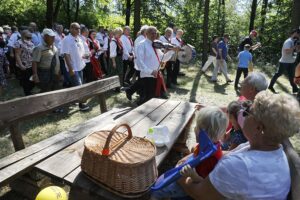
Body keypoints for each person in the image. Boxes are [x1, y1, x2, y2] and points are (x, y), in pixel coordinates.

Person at [178, 91, 300, 200]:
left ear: (259, 128)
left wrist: (179, 174)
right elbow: (228, 153)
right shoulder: (271, 149)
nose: (242, 114)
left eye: (247, 113)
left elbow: (199, 194)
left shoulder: (240, 166)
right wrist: (192, 157)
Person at [151, 106, 228, 200]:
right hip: (185, 174)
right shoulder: (209, 145)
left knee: (158, 190)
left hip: (190, 185)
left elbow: (205, 183)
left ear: (204, 134)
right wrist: (193, 151)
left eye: (198, 127)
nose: (195, 129)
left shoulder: (211, 158)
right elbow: (197, 153)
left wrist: (192, 175)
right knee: (162, 180)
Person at [135, 26, 173, 104]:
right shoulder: (142, 45)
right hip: (147, 76)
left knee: (153, 99)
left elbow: (163, 58)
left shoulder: (155, 45)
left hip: (156, 75)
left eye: (155, 33)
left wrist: (172, 51)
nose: (154, 35)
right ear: (146, 34)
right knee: (146, 100)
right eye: (152, 33)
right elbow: (139, 62)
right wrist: (151, 71)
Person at [61, 22, 90, 111]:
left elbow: (81, 51)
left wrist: (85, 55)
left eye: (79, 29)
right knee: (79, 85)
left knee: (77, 85)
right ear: (71, 29)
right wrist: (70, 68)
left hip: (80, 65)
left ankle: (73, 100)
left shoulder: (79, 39)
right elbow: (66, 54)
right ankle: (82, 104)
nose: (78, 30)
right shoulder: (66, 39)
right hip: (73, 67)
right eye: (76, 29)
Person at [268, 28, 300, 94]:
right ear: (295, 33)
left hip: (291, 62)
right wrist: (295, 47)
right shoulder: (288, 41)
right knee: (278, 74)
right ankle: (270, 86)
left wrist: (297, 48)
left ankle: (295, 90)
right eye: (299, 34)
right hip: (284, 62)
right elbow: (287, 51)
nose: (299, 36)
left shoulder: (294, 41)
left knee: (292, 77)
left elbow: (296, 51)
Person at [123, 25, 148, 101]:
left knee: (142, 79)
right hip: (140, 63)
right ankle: (133, 92)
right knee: (142, 79)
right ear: (144, 32)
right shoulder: (140, 39)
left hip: (142, 62)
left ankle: (137, 92)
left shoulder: (143, 38)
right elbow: (139, 52)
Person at [32, 28, 60, 93]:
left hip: (54, 72)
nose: (53, 38)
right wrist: (35, 75)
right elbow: (35, 62)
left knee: (54, 89)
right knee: (45, 90)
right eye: (51, 37)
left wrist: (58, 72)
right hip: (44, 73)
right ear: (45, 37)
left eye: (54, 37)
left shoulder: (54, 47)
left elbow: (57, 60)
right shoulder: (39, 48)